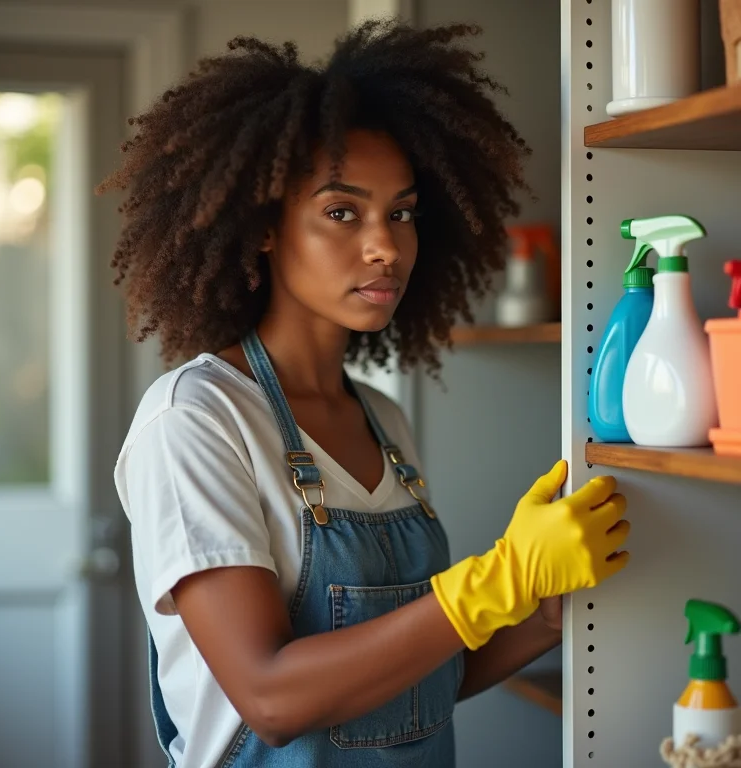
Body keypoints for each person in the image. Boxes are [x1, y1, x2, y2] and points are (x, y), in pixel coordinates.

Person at [101, 19, 630, 768]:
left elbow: (418, 682)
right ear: (262, 229)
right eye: (342, 212)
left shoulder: (381, 420)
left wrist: (540, 610)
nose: (385, 245)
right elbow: (273, 699)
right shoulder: (196, 418)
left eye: (402, 213)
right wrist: (493, 578)